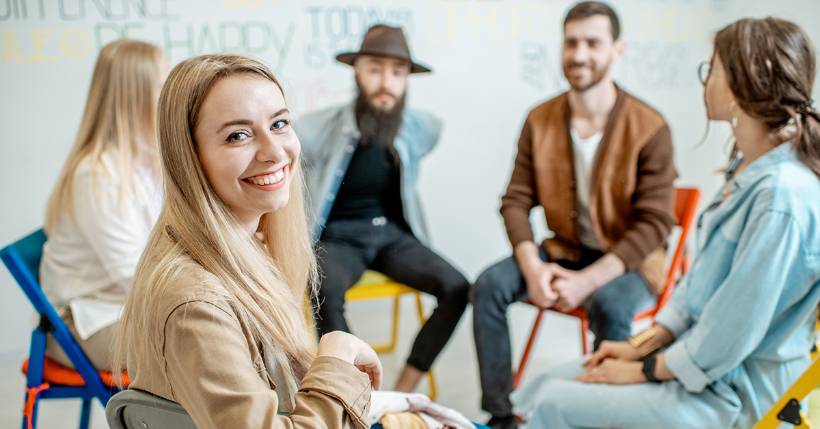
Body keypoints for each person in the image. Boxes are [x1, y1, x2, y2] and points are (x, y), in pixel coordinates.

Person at [513, 16, 820, 429]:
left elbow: (729, 333)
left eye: (712, 69)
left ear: (741, 85)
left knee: (555, 404)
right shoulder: (749, 171)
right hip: (700, 369)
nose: (706, 81)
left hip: (733, 393)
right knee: (544, 385)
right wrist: (642, 345)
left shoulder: (781, 196)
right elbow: (695, 287)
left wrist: (644, 370)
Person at [114, 54, 382, 428]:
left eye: (280, 123)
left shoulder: (246, 249)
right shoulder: (196, 303)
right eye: (237, 135)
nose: (274, 152)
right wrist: (336, 355)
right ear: (189, 157)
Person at [470, 2, 677, 427]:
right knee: (489, 286)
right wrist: (531, 268)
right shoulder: (540, 119)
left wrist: (587, 281)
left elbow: (655, 224)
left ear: (617, 50)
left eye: (592, 43)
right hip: (564, 250)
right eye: (571, 42)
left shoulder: (650, 126)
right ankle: (501, 415)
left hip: (631, 264)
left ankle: (601, 416)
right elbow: (515, 200)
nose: (579, 54)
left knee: (609, 305)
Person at [298, 24, 470, 393]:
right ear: (357, 71)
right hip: (339, 237)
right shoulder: (318, 129)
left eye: (397, 72)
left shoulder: (416, 128)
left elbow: (431, 130)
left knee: (458, 287)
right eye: (375, 69)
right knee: (322, 289)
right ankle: (361, 392)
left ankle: (404, 388)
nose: (386, 83)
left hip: (392, 235)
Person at [40, 39, 167, 370]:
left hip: (122, 308)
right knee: (203, 347)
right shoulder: (96, 174)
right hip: (83, 324)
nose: (172, 96)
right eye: (162, 85)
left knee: (225, 336)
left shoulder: (147, 163)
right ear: (136, 97)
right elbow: (133, 274)